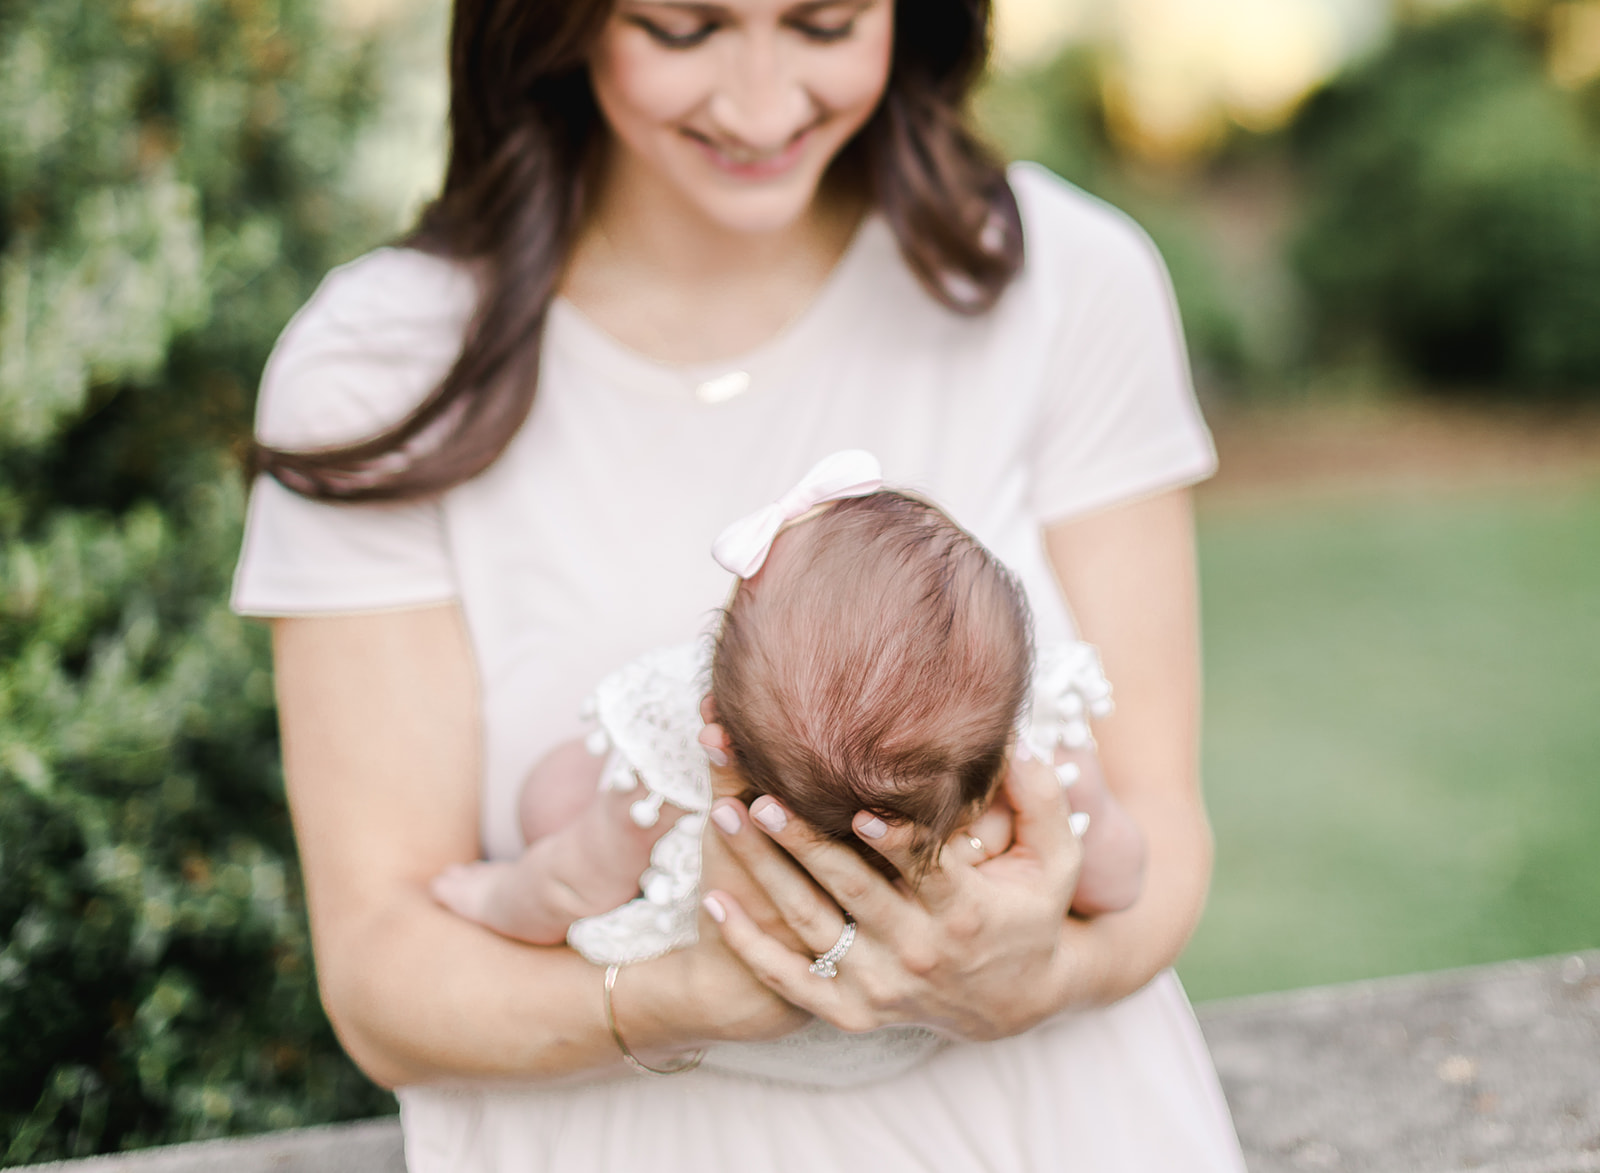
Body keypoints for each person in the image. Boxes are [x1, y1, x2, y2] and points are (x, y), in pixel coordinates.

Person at [232, 0, 1249, 1167]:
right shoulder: (383, 365)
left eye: (823, 24)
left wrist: (1034, 973)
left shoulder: (1066, 282)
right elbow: (381, 980)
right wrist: (689, 995)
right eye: (682, 28)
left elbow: (1158, 838)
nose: (763, 104)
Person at [428, 462, 1145, 1002]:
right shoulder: (1043, 761)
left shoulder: (673, 779)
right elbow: (1120, 880)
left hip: (724, 1037)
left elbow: (561, 886)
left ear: (714, 713)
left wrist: (493, 894)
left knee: (556, 795)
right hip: (943, 1046)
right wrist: (1094, 821)